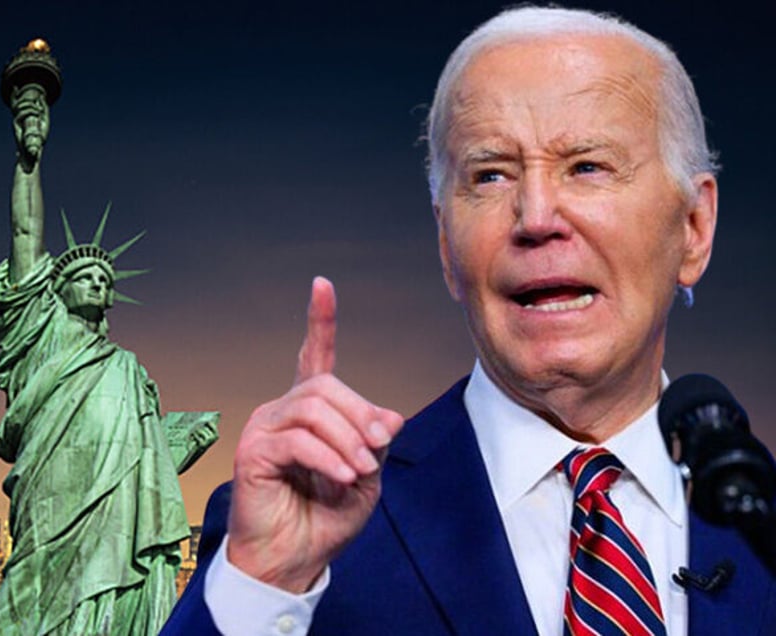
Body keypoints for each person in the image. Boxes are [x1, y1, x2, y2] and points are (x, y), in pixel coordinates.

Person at [162, 6, 775, 635]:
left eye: (587, 167)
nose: (536, 217)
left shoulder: (766, 532)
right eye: (490, 176)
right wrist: (262, 590)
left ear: (694, 229)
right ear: (446, 248)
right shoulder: (303, 532)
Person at [0, 71, 218, 634]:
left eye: (103, 279)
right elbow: (25, 233)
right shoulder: (38, 335)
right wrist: (28, 159)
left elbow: (143, 459)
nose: (95, 284)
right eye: (83, 275)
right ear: (54, 289)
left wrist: (176, 441)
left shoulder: (126, 368)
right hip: (51, 497)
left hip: (115, 517)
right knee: (23, 609)